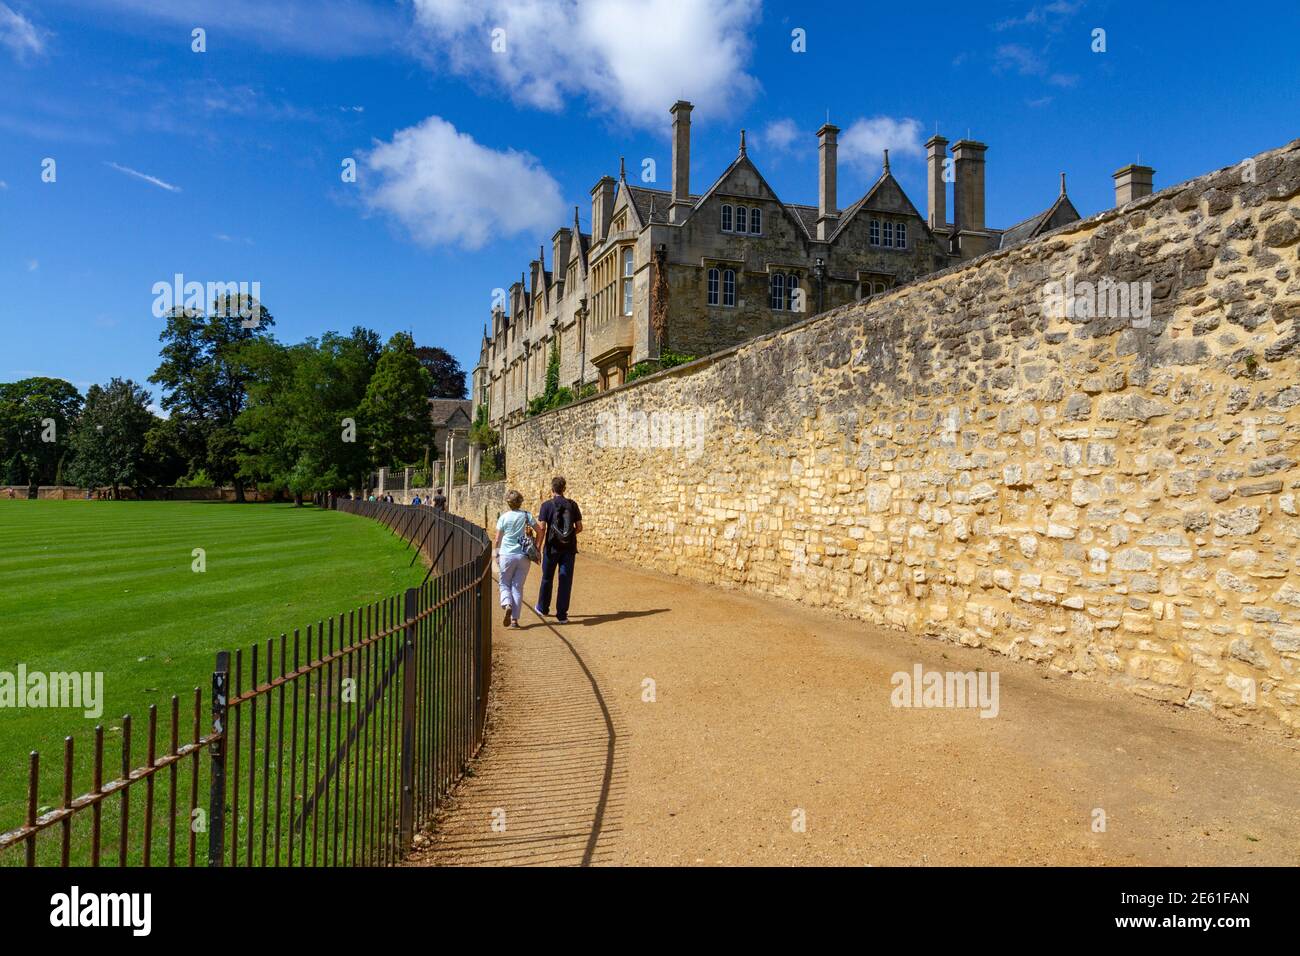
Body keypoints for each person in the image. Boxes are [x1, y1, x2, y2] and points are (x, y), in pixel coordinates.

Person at [535, 476, 583, 624]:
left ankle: (543, 608)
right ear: (564, 489)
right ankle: (562, 615)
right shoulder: (572, 505)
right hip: (569, 549)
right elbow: (580, 527)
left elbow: (542, 528)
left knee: (547, 578)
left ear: (552, 489)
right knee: (565, 580)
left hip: (551, 548)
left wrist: (538, 547)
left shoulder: (546, 505)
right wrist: (568, 536)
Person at [494, 489, 538, 629]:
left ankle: (507, 604)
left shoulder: (504, 517)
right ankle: (514, 621)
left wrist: (496, 554)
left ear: (508, 503)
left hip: (506, 554)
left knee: (504, 583)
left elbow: (497, 539)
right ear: (520, 502)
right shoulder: (527, 515)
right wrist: (537, 547)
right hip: (523, 555)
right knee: (517, 587)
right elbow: (541, 530)